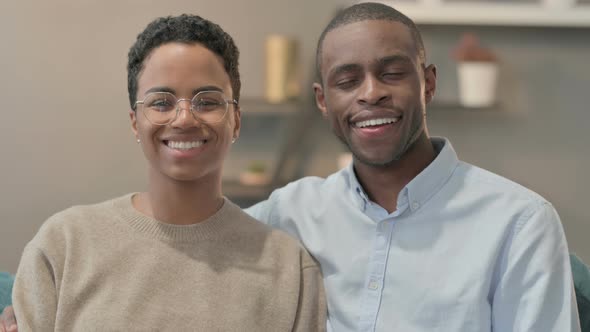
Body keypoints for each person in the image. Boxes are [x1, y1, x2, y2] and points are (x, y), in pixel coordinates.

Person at [1, 2, 581, 332]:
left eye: (393, 72)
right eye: (347, 80)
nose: (370, 94)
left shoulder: (518, 223)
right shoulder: (289, 217)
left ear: (428, 82)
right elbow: (194, 236)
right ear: (322, 100)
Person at [5, 14, 326, 331]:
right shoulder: (64, 245)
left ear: (236, 121)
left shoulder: (289, 269)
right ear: (135, 122)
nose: (184, 118)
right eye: (161, 102)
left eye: (207, 101)